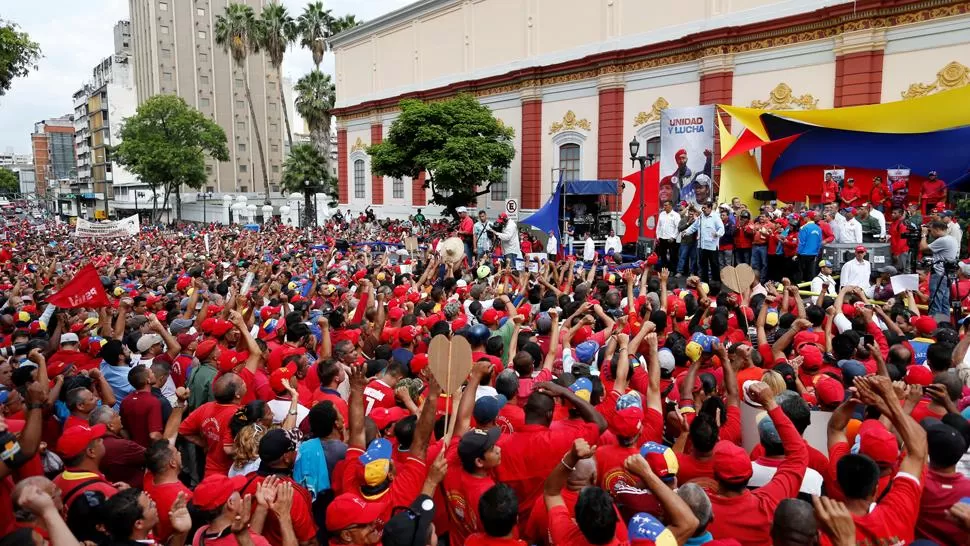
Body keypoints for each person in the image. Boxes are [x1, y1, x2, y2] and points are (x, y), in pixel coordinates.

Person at [921, 219, 959, 316]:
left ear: (937, 229)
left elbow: (922, 247)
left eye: (931, 230)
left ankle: (936, 327)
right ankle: (944, 326)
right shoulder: (952, 239)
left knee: (935, 302)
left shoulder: (943, 240)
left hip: (939, 274)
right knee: (944, 302)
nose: (931, 233)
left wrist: (924, 234)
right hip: (946, 274)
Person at [680, 201, 724, 284]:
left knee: (714, 265)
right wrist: (686, 232)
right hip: (702, 246)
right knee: (703, 266)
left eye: (705, 208)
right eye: (702, 208)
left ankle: (716, 283)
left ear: (710, 208)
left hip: (712, 246)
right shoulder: (701, 217)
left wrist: (717, 234)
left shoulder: (715, 217)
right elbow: (694, 227)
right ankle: (704, 283)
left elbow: (722, 229)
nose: (703, 209)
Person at [796, 212, 823, 283]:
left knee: (800, 272)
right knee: (810, 272)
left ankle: (799, 289)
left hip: (803, 253)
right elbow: (819, 243)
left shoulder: (804, 228)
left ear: (808, 218)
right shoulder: (818, 228)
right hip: (813, 254)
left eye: (804, 217)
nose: (803, 218)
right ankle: (810, 289)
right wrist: (816, 253)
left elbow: (801, 242)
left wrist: (797, 253)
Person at [656, 201, 681, 271]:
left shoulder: (676, 215)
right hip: (662, 238)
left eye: (666, 205)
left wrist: (673, 237)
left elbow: (678, 228)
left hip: (671, 239)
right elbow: (658, 226)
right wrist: (658, 236)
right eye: (664, 205)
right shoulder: (662, 214)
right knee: (663, 255)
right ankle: (664, 269)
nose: (664, 207)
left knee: (673, 256)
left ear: (670, 206)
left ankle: (672, 270)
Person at [888, 207, 912, 273]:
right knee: (897, 270)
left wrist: (897, 253)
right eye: (892, 213)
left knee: (902, 270)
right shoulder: (893, 224)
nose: (892, 214)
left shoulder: (902, 224)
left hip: (902, 251)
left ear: (900, 214)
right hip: (894, 251)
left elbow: (902, 241)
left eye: (895, 213)